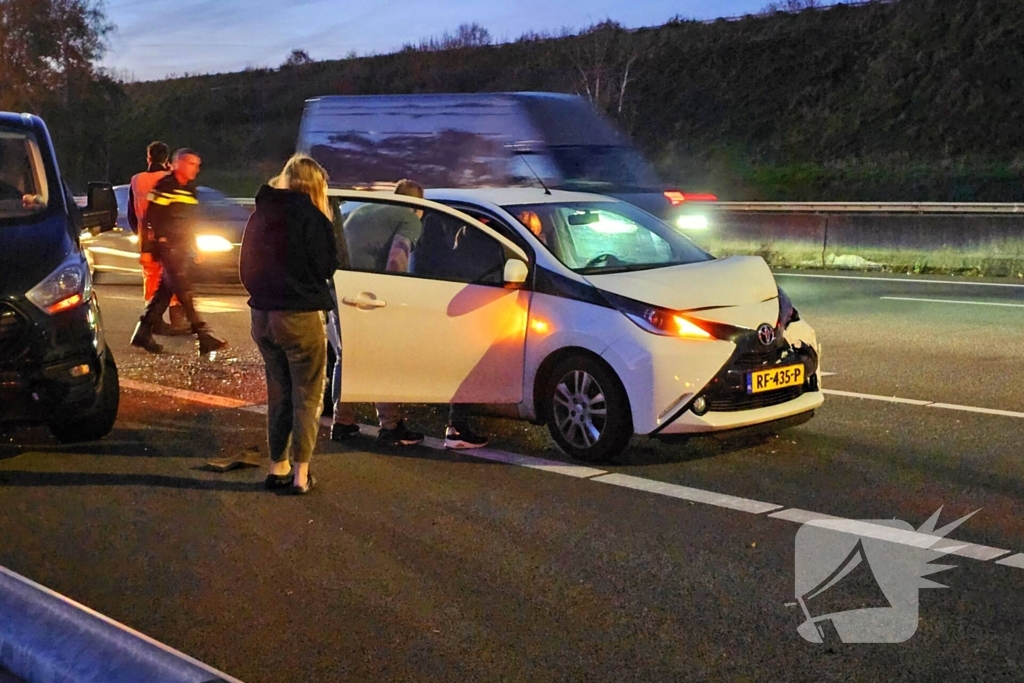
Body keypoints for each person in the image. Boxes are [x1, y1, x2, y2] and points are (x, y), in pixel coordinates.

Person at [330, 179, 488, 450]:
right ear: (419, 205)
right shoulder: (409, 217)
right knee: (384, 358)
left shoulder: (364, 211)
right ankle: (391, 427)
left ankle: (342, 422)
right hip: (370, 292)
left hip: (342, 288)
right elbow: (397, 258)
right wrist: (399, 295)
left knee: (350, 355)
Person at [240, 154, 338, 494]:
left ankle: (277, 466)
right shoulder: (314, 219)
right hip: (300, 316)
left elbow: (245, 269)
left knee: (278, 392)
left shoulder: (260, 215)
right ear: (315, 186)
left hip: (262, 315)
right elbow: (327, 267)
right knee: (308, 394)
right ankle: (301, 474)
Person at [129, 148, 228, 356]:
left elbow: (189, 222)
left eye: (198, 165)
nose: (196, 169)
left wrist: (194, 246)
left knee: (164, 293)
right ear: (178, 164)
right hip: (168, 247)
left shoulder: (190, 190)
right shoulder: (165, 186)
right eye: (192, 164)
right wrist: (150, 247)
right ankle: (203, 334)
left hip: (182, 247)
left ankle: (143, 332)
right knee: (183, 289)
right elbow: (150, 218)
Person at [127, 141, 188, 336]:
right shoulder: (170, 179)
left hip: (146, 238)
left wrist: (140, 234)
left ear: (148, 158)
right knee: (172, 275)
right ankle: (177, 319)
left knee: (151, 278)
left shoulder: (136, 180)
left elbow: (131, 212)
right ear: (167, 159)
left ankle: (155, 321)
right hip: (168, 237)